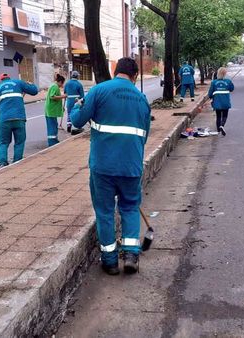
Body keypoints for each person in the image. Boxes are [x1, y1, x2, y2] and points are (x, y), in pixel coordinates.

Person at [70, 58, 151, 275]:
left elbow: (77, 122)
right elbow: (144, 136)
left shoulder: (99, 91)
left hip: (103, 166)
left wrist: (75, 107)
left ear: (116, 71)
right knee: (130, 208)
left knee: (105, 212)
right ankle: (132, 254)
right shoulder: (142, 100)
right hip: (131, 166)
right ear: (134, 76)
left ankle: (110, 261)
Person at [0, 73, 39, 167]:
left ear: (1, 80)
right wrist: (30, 84)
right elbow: (34, 91)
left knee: (3, 142)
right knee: (19, 141)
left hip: (5, 119)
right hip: (19, 118)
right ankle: (17, 162)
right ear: (9, 78)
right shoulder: (18, 83)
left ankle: (2, 163)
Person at [206, 67, 234, 136]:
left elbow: (210, 93)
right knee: (225, 115)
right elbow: (232, 89)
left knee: (218, 116)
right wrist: (229, 84)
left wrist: (210, 97)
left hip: (217, 102)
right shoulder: (228, 81)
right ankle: (222, 125)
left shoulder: (214, 82)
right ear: (225, 74)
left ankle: (218, 130)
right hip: (225, 102)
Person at [45, 74, 67, 146]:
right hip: (51, 110)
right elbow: (52, 97)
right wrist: (63, 96)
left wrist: (61, 107)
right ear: (60, 82)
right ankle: (52, 142)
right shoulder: (55, 87)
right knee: (52, 125)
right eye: (62, 83)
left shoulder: (53, 86)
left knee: (53, 124)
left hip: (51, 109)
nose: (62, 85)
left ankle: (54, 140)